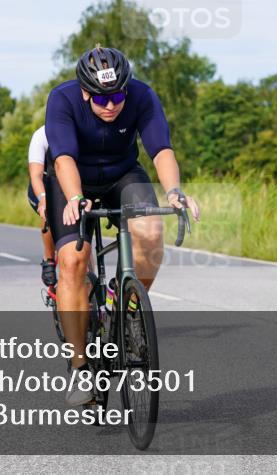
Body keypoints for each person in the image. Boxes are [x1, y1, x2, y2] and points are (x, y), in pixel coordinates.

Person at [44, 45, 200, 405]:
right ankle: (81, 365)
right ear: (85, 92)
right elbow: (64, 155)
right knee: (73, 261)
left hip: (122, 174)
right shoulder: (62, 99)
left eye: (117, 95)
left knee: (151, 233)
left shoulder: (142, 95)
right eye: (101, 99)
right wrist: (73, 197)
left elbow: (160, 149)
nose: (111, 105)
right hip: (73, 179)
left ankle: (126, 301)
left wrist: (174, 192)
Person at [26, 125, 56, 284]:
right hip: (42, 186)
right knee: (49, 210)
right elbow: (35, 175)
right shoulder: (41, 135)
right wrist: (43, 198)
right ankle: (49, 258)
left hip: (66, 184)